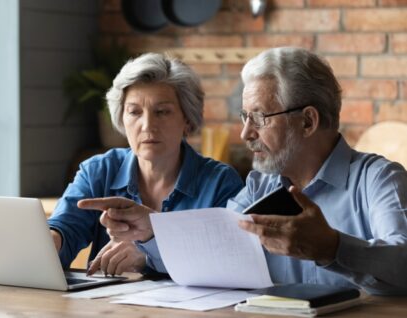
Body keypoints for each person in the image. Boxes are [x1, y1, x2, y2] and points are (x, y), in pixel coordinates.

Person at [228, 47, 407, 295]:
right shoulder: (259, 185)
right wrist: (153, 235)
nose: (245, 133)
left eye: (259, 118)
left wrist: (332, 248)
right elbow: (217, 247)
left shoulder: (380, 179)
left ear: (308, 121)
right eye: (245, 117)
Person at [48, 53, 244, 276]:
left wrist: (149, 255)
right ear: (122, 119)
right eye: (134, 112)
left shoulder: (220, 183)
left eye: (162, 112)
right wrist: (51, 242)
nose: (148, 125)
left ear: (187, 120)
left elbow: (228, 262)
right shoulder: (98, 171)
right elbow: (65, 228)